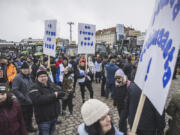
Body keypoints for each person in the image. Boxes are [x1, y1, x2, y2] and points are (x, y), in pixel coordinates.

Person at [28, 67, 67, 135]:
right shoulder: (33, 87)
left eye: (45, 76)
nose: (43, 78)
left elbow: (60, 92)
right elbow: (38, 100)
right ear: (37, 78)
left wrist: (57, 94)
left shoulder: (51, 84)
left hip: (54, 116)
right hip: (44, 119)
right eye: (41, 77)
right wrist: (54, 95)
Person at [11, 61, 37, 132]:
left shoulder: (29, 76)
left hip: (30, 101)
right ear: (21, 69)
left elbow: (31, 87)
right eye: (24, 69)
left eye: (27, 69)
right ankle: (24, 130)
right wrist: (23, 98)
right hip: (23, 102)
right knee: (23, 118)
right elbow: (14, 90)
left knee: (30, 116)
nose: (26, 70)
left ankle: (30, 127)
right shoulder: (17, 78)